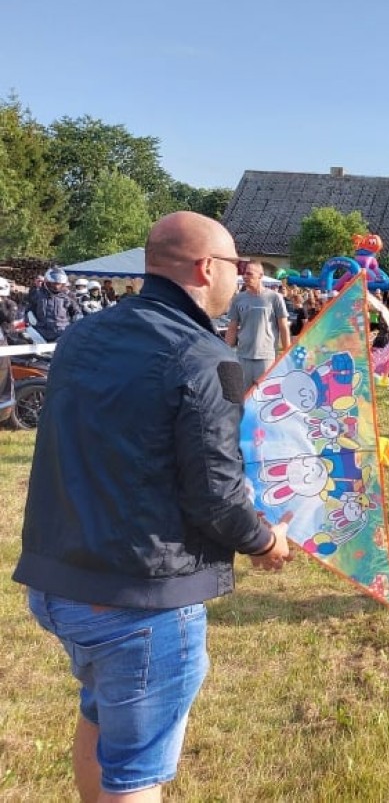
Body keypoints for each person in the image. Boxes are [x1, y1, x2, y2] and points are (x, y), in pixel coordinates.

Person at [13, 211, 293, 801]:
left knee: (101, 719)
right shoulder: (203, 357)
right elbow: (216, 495)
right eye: (235, 266)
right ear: (205, 268)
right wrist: (265, 540)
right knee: (137, 770)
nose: (241, 277)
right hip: (138, 598)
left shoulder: (85, 334)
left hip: (60, 578)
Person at [224, 261, 290, 387]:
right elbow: (232, 328)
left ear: (260, 276)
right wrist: (226, 352)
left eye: (249, 274)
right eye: (244, 274)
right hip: (243, 355)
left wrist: (287, 353)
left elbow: (283, 327)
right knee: (243, 397)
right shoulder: (239, 299)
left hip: (266, 357)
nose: (245, 277)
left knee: (263, 396)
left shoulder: (275, 298)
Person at [25, 268, 82, 342]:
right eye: (54, 283)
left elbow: (77, 312)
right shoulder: (37, 295)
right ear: (47, 282)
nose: (56, 286)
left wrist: (76, 324)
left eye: (59, 284)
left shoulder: (67, 297)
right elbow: (27, 310)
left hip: (62, 333)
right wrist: (29, 319)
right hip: (40, 333)